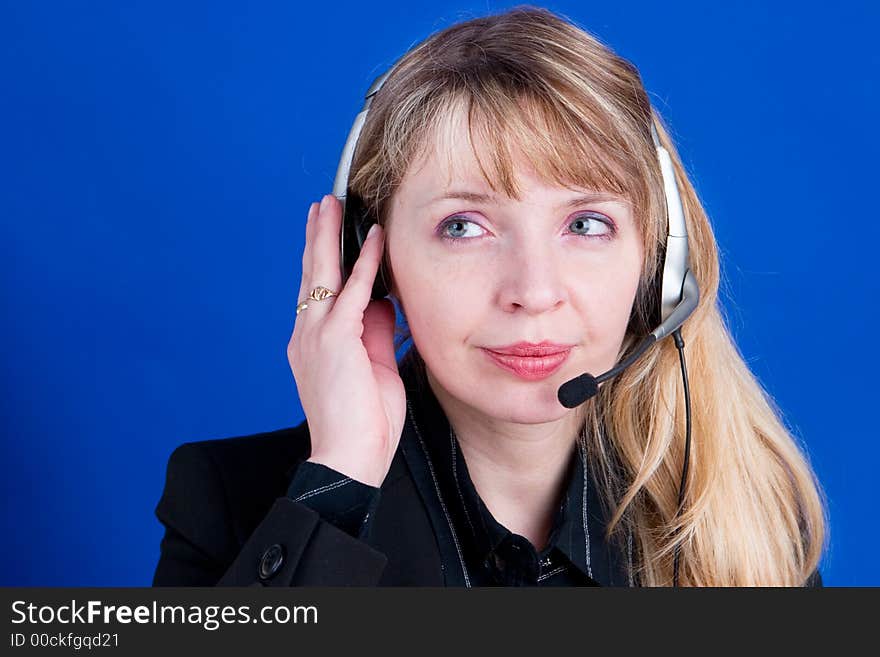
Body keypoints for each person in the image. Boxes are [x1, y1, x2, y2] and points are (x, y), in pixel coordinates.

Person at [152, 6, 826, 587]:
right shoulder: (234, 504)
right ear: (372, 257)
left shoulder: (749, 523)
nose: (533, 292)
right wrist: (339, 488)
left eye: (585, 224)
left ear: (659, 260)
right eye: (464, 226)